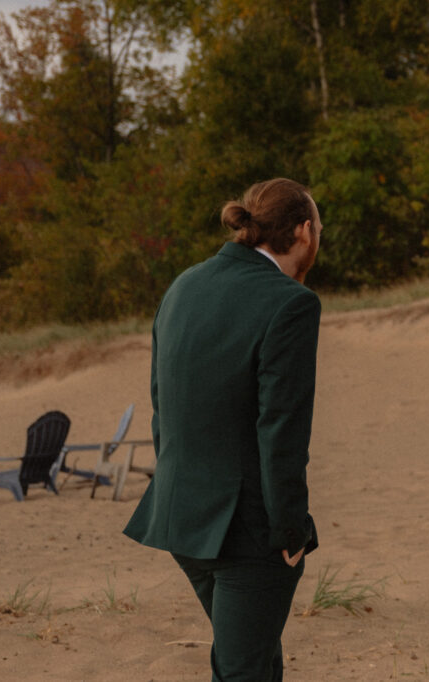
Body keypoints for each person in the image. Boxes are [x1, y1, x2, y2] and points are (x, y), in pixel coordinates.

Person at [124, 177, 324, 681]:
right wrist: (290, 532)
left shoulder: (184, 284)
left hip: (180, 519)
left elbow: (160, 404)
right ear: (303, 231)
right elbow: (281, 430)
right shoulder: (291, 303)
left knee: (254, 658)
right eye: (318, 226)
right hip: (246, 535)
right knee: (245, 670)